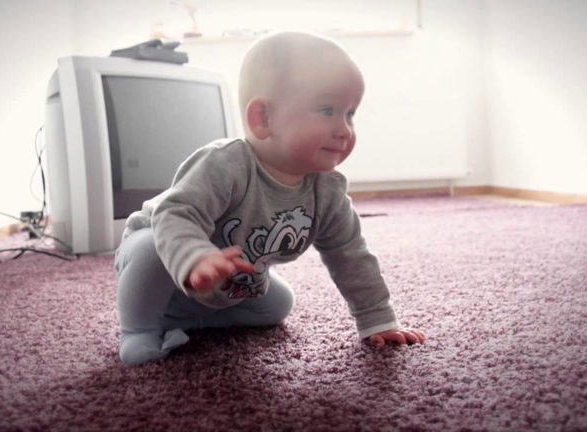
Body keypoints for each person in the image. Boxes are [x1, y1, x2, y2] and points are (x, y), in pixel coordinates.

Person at [114, 31, 426, 365]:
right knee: (149, 248)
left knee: (278, 305)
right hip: (167, 258)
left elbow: (351, 255)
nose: (344, 130)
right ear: (262, 119)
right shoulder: (226, 163)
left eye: (350, 114)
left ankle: (189, 322)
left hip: (227, 283)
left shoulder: (327, 191)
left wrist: (378, 319)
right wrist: (196, 258)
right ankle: (139, 330)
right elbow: (174, 213)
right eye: (327, 110)